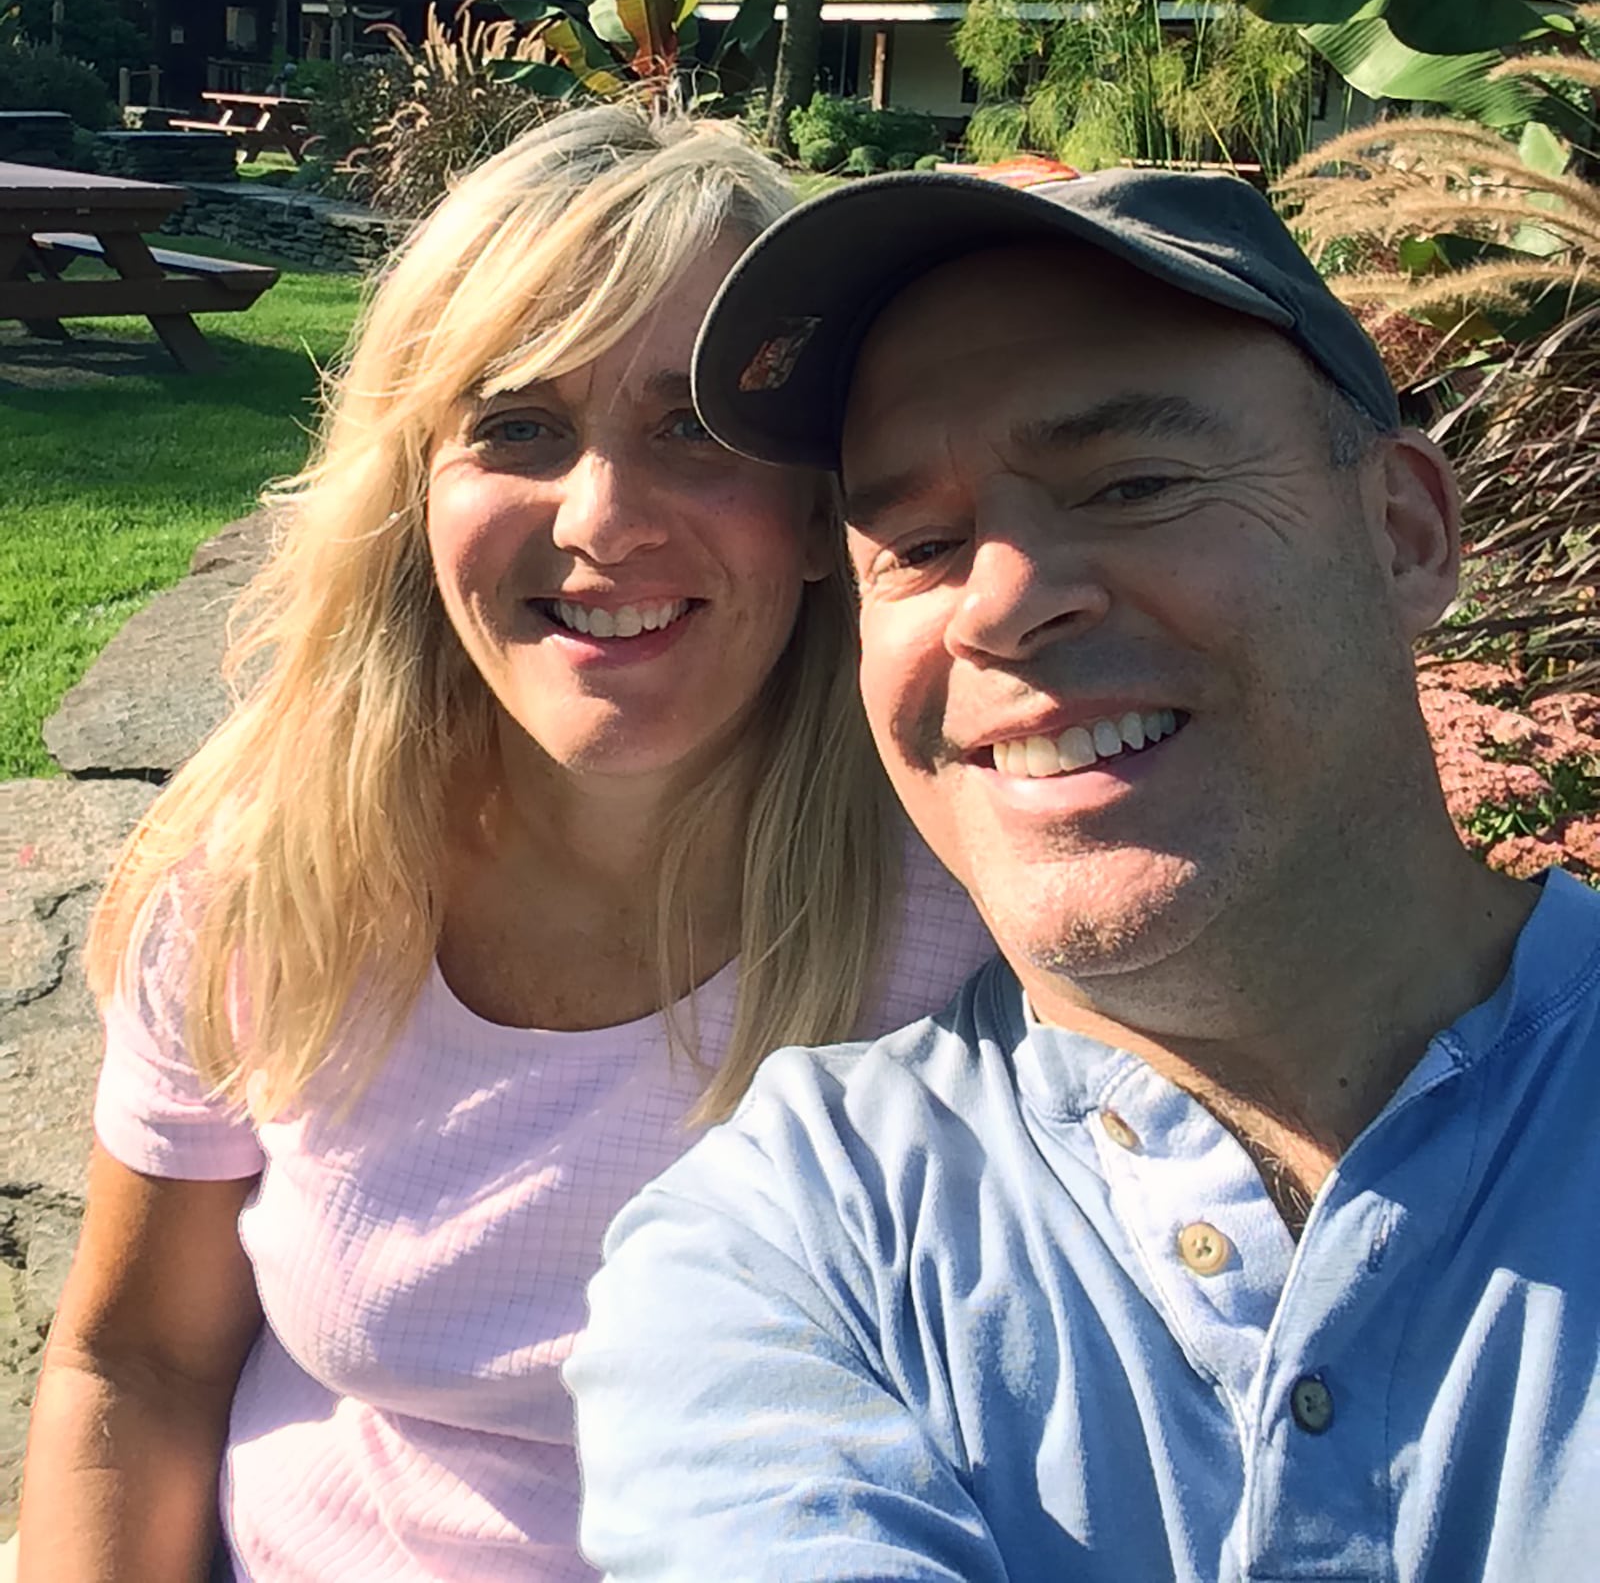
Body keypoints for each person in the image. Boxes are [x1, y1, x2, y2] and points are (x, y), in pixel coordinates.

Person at [568, 161, 1600, 1581]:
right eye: (917, 544)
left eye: (1132, 481)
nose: (999, 601)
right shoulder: (792, 1252)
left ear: (1406, 533)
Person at [12, 111, 991, 1583]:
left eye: (695, 429)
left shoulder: (970, 907)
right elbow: (136, 1360)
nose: (603, 519)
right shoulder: (268, 877)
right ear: (419, 496)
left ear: (813, 514)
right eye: (518, 425)